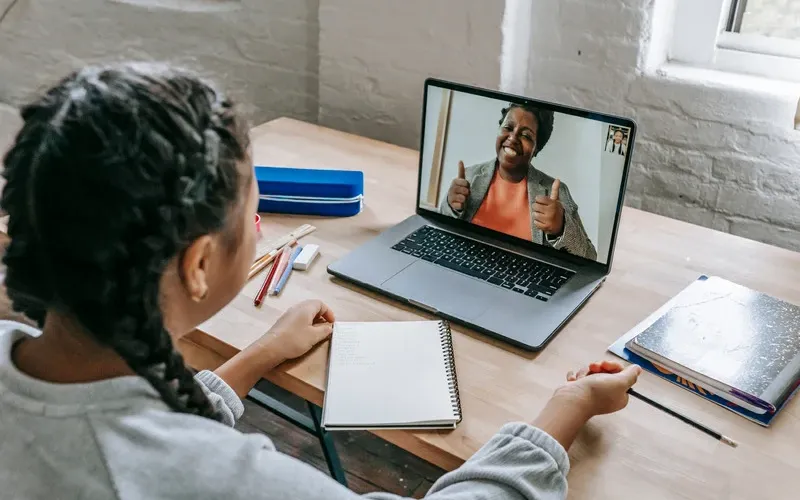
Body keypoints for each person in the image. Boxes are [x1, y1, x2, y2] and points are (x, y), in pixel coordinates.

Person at [0, 63, 641, 499]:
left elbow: (133, 422)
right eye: (253, 209)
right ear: (197, 265)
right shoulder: (231, 479)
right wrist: (565, 410)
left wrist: (258, 356)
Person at [439, 103, 597, 261]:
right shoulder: (469, 176)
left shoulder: (555, 192)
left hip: (524, 280)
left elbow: (590, 257)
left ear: (536, 149)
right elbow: (441, 233)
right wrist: (450, 206)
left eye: (526, 136)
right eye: (508, 127)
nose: (513, 138)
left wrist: (561, 228)